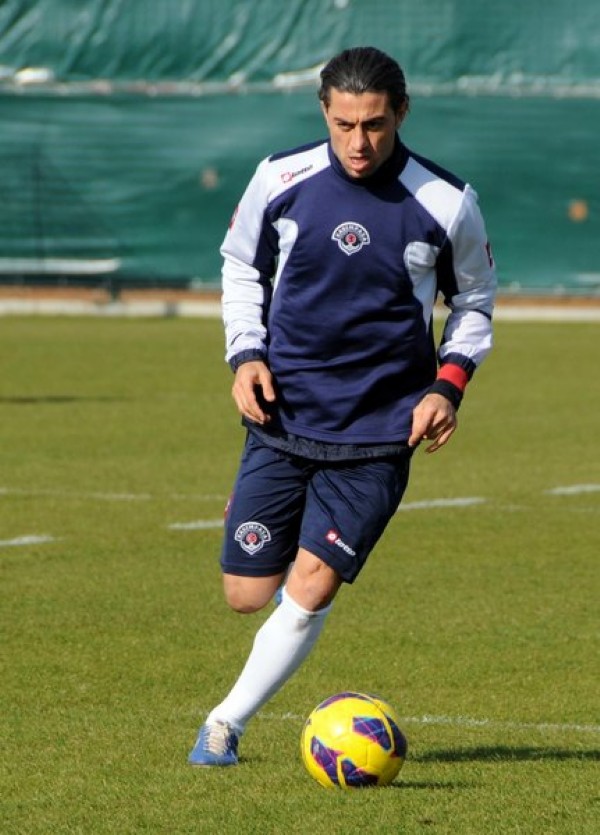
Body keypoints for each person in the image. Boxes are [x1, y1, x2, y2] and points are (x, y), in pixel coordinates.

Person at [188, 46, 496, 767]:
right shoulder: (280, 179)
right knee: (245, 594)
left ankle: (223, 725)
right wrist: (245, 353)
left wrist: (447, 385)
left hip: (380, 430)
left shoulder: (446, 202)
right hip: (283, 415)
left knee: (312, 583)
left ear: (402, 114)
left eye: (376, 125)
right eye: (345, 124)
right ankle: (273, 539)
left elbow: (475, 302)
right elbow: (241, 268)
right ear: (324, 112)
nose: (360, 143)